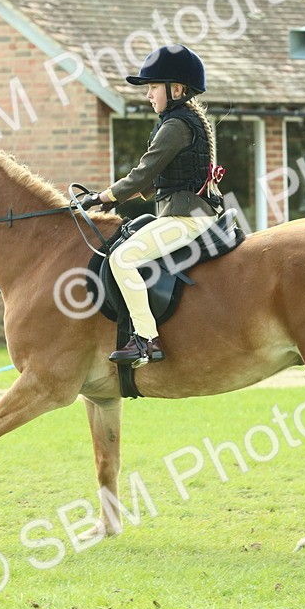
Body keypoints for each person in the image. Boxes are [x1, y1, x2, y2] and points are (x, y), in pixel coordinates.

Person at [82, 44, 223, 367]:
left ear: (176, 89)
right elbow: (149, 182)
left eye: (153, 88)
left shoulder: (176, 126)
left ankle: (146, 339)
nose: (148, 96)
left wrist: (104, 197)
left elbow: (143, 173)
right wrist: (108, 196)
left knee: (123, 258)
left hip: (188, 218)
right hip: (189, 213)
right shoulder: (181, 120)